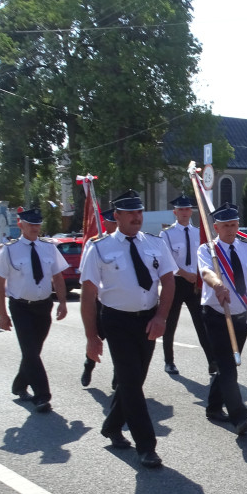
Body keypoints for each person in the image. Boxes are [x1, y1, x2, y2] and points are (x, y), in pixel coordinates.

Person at [80, 189, 176, 469]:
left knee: (134, 380)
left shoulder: (156, 244)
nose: (137, 217)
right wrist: (91, 336)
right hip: (117, 321)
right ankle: (146, 446)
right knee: (132, 384)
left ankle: (111, 425)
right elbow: (88, 295)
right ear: (116, 216)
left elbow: (168, 282)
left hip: (147, 319)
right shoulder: (99, 248)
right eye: (131, 213)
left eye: (140, 212)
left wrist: (161, 317)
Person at [0, 209, 69, 413]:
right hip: (20, 307)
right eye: (31, 224)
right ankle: (42, 396)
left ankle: (19, 385)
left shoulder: (49, 248)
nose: (35, 228)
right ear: (21, 225)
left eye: (38, 224)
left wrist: (62, 302)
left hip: (43, 306)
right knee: (30, 351)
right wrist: (2, 314)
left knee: (33, 351)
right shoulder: (9, 250)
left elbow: (58, 277)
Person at [197, 201, 247, 435]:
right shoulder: (208, 250)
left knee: (227, 366)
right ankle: (239, 417)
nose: (231, 230)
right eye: (226, 226)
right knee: (229, 368)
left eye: (234, 225)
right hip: (217, 315)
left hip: (241, 316)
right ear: (216, 227)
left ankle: (213, 407)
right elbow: (205, 272)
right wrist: (217, 284)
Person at [159, 194, 207, 376]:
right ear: (175, 212)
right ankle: (169, 361)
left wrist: (198, 275)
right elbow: (167, 260)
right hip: (176, 282)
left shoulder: (198, 233)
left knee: (201, 324)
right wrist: (185, 273)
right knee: (170, 323)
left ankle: (212, 362)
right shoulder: (167, 234)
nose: (185, 212)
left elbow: (203, 256)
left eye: (187, 209)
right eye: (181, 210)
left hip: (195, 283)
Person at [80, 209, 117, 388]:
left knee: (120, 344)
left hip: (119, 301)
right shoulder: (95, 244)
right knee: (97, 337)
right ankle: (89, 365)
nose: (116, 226)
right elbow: (87, 273)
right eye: (112, 223)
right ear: (106, 224)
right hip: (100, 301)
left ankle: (119, 377)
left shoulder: (125, 243)